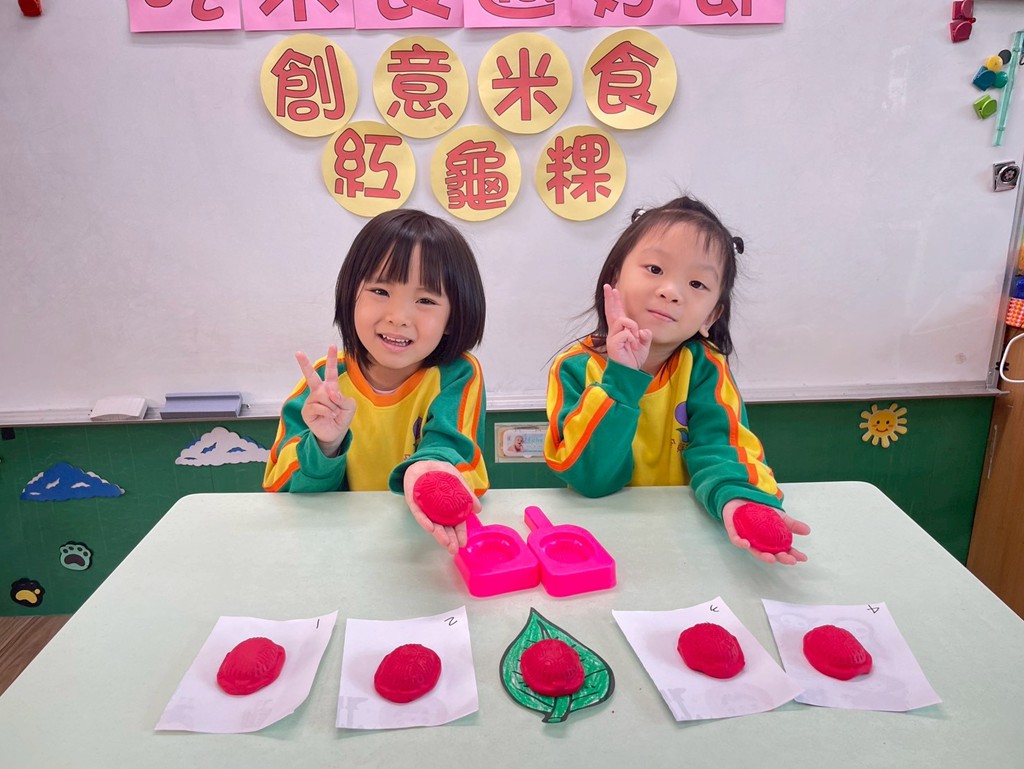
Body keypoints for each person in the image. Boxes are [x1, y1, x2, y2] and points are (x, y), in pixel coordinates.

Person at [543, 196, 809, 565]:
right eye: (654, 269)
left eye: (697, 283)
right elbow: (592, 480)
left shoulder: (705, 368)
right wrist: (622, 379)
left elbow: (722, 445)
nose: (671, 291)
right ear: (614, 279)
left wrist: (739, 499)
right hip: (600, 537)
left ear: (711, 316)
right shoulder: (574, 367)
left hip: (686, 540)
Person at [263, 208, 488, 554]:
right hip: (340, 547)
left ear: (453, 317)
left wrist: (428, 471)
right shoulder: (323, 385)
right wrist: (325, 446)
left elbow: (454, 451)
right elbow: (283, 488)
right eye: (381, 291)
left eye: (425, 300)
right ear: (350, 295)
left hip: (424, 546)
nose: (398, 317)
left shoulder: (457, 375)